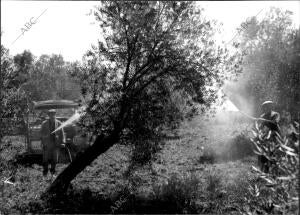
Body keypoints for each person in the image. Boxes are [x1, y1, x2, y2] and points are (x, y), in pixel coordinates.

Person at [257, 101, 280, 173]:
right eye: (264, 107)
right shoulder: (262, 116)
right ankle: (264, 172)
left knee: (273, 154)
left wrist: (264, 120)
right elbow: (260, 127)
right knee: (263, 155)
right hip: (265, 137)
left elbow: (275, 122)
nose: (265, 108)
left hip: (274, 137)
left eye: (267, 106)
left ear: (271, 107)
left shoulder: (275, 114)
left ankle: (275, 173)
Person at [40, 109, 65, 176]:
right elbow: (41, 133)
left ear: (55, 115)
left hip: (56, 143)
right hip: (47, 144)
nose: (52, 115)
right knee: (45, 159)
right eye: (51, 114)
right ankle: (45, 172)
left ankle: (53, 171)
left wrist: (63, 142)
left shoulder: (59, 123)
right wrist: (44, 138)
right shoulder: (44, 123)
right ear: (48, 115)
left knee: (55, 159)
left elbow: (62, 133)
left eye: (53, 114)